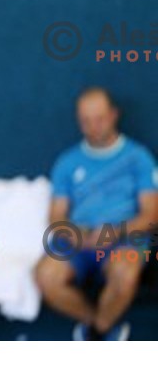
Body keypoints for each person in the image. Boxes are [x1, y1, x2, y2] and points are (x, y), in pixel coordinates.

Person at [36, 87, 158, 340]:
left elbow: (151, 215)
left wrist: (112, 233)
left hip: (124, 238)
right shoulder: (67, 163)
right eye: (86, 121)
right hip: (77, 241)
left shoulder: (139, 158)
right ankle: (98, 325)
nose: (94, 126)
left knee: (125, 273)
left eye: (100, 118)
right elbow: (56, 215)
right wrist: (73, 234)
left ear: (114, 115)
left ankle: (96, 333)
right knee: (45, 276)